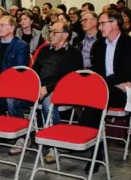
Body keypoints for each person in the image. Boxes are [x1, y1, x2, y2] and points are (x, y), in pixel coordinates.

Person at [7, 21, 83, 162]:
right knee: (12, 99)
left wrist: (46, 89)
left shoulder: (74, 53)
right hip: (39, 87)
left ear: (65, 35)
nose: (50, 35)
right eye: (50, 32)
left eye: (55, 32)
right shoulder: (44, 50)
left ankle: (55, 144)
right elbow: (34, 72)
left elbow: (68, 78)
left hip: (61, 89)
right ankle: (23, 136)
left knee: (49, 104)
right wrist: (33, 86)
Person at [83, 10, 131, 174]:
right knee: (92, 96)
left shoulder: (130, 43)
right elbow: (98, 70)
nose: (99, 27)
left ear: (115, 23)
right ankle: (96, 150)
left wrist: (105, 81)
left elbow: (127, 72)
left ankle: (90, 143)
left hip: (122, 93)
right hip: (106, 89)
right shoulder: (99, 45)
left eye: (102, 23)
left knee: (94, 99)